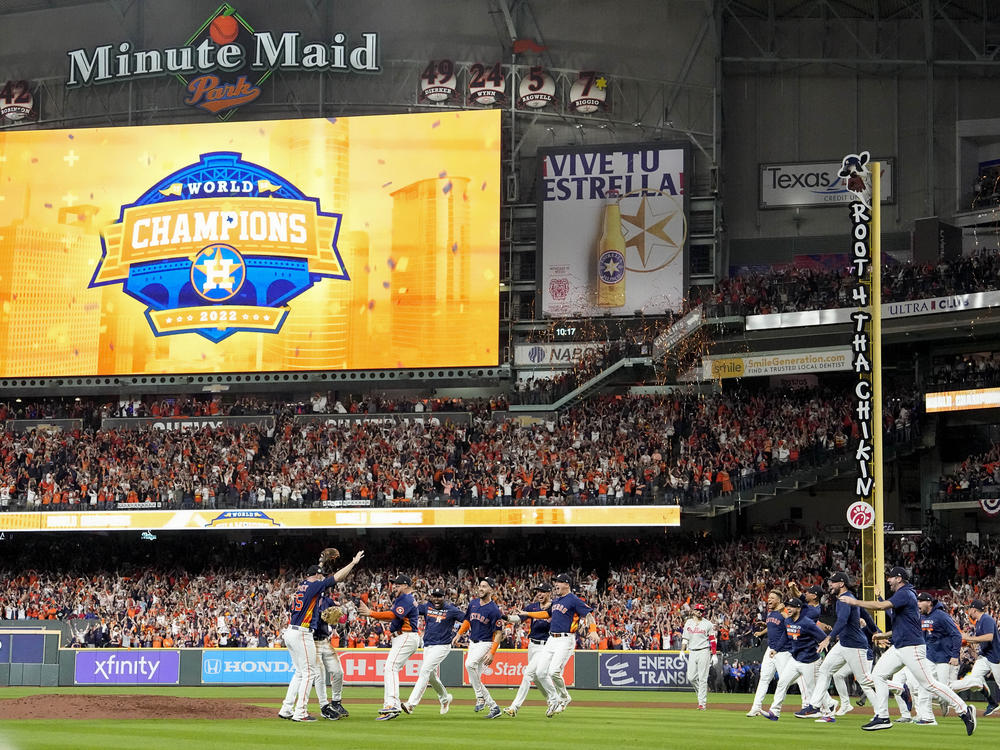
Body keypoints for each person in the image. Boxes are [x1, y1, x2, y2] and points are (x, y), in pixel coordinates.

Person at [841, 565, 976, 734]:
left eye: (890, 577)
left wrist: (855, 602)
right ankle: (882, 717)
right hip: (900, 646)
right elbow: (899, 620)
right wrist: (885, 635)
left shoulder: (905, 593)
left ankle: (964, 710)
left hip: (911, 647)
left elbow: (882, 607)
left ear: (898, 578)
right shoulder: (902, 594)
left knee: (929, 684)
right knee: (877, 675)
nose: (888, 580)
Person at [278, 548, 364, 722]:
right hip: (302, 633)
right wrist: (353, 563)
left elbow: (316, 575)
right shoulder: (315, 585)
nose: (322, 578)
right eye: (320, 575)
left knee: (300, 673)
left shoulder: (303, 586)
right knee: (309, 673)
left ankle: (286, 708)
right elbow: (336, 577)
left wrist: (321, 562)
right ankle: (300, 712)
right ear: (316, 576)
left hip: (290, 632)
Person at [796, 572, 876, 721]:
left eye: (833, 582)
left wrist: (829, 638)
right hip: (844, 644)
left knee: (865, 681)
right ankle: (816, 707)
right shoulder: (848, 598)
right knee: (825, 670)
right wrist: (876, 631)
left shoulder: (845, 599)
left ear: (841, 584)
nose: (830, 585)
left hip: (855, 645)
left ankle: (896, 691)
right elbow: (866, 615)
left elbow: (843, 621)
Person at [521, 572, 599, 717]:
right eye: (555, 582)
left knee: (554, 671)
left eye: (559, 582)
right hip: (551, 640)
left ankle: (563, 697)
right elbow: (546, 614)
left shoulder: (573, 600)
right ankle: (557, 698)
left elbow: (588, 614)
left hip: (565, 639)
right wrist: (528, 614)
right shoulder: (556, 601)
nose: (556, 584)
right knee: (540, 673)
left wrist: (593, 630)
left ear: (566, 584)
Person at [358, 573, 420, 721]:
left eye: (398, 584)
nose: (395, 587)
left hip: (406, 636)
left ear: (405, 585)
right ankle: (389, 705)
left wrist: (371, 613)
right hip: (403, 637)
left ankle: (392, 704)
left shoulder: (406, 598)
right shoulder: (403, 598)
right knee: (391, 668)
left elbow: (393, 615)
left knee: (390, 668)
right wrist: (390, 632)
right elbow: (395, 618)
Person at [401, 587, 464, 716]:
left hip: (442, 646)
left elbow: (467, 620)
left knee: (424, 671)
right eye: (434, 596)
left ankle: (411, 704)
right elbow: (411, 610)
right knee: (431, 676)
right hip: (428, 645)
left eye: (439, 596)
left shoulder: (451, 609)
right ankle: (445, 699)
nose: (436, 598)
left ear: (444, 597)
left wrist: (459, 634)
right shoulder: (427, 607)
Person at [762, 597, 826, 721]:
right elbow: (785, 637)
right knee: (782, 683)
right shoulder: (788, 621)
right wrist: (776, 650)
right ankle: (774, 712)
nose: (789, 608)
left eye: (791, 606)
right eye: (788, 606)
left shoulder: (807, 622)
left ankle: (826, 712)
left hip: (809, 661)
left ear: (799, 608)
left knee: (813, 689)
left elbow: (823, 637)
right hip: (795, 659)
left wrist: (819, 646)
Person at [452, 576, 505, 719]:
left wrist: (492, 652)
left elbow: (499, 633)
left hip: (486, 643)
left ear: (491, 590)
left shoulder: (494, 609)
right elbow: (468, 620)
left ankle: (480, 697)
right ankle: (494, 707)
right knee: (474, 679)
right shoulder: (474, 603)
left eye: (484, 586)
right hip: (473, 643)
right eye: (480, 585)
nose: (481, 588)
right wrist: (459, 634)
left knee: (469, 664)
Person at [504, 582, 554, 717]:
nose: (539, 594)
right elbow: (519, 618)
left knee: (528, 674)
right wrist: (506, 617)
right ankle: (552, 700)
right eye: (538, 591)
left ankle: (514, 707)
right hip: (533, 645)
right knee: (537, 677)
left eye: (542, 591)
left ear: (549, 593)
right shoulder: (532, 607)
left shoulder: (554, 607)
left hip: (546, 646)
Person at [915, 591, 962, 725]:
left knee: (944, 689)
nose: (918, 604)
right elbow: (923, 637)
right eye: (917, 601)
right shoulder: (922, 617)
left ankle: (948, 703)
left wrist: (955, 655)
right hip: (930, 656)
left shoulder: (941, 616)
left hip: (944, 658)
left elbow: (957, 635)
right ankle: (926, 716)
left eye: (920, 601)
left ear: (929, 602)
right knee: (923, 685)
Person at [950, 599, 1000, 718]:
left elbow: (989, 637)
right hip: (985, 656)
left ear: (974, 609)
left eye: (969, 608)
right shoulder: (979, 621)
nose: (968, 611)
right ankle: (992, 703)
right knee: (974, 679)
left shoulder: (986, 619)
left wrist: (969, 638)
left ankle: (992, 703)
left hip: (996, 657)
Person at [747, 589, 786, 717]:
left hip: (783, 651)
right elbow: (771, 627)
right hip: (770, 649)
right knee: (764, 678)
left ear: (779, 600)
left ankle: (821, 703)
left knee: (791, 679)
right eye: (769, 597)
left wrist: (784, 611)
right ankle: (756, 707)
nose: (769, 600)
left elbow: (792, 624)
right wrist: (761, 632)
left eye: (772, 598)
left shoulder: (784, 611)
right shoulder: (770, 613)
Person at [313, 591, 348, 720]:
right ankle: (324, 706)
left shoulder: (327, 600)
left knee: (338, 672)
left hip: (325, 641)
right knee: (320, 675)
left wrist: (334, 628)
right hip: (312, 641)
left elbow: (339, 614)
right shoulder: (308, 601)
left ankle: (336, 702)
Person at [682, 603, 717, 710]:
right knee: (691, 677)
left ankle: (702, 703)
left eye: (701, 611)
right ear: (693, 611)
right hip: (692, 651)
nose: (699, 612)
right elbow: (685, 638)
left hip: (704, 651)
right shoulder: (688, 623)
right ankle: (700, 693)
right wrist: (682, 651)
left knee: (703, 678)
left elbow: (712, 640)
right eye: (697, 610)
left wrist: (714, 654)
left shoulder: (708, 624)